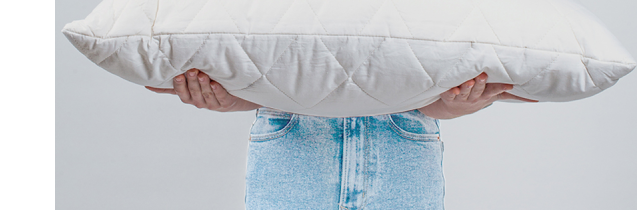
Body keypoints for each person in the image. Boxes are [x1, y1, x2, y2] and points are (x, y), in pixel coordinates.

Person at [147, 69, 535, 210]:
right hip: (293, 146)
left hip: (401, 151)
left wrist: (456, 104)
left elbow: (432, 99)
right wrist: (231, 96)